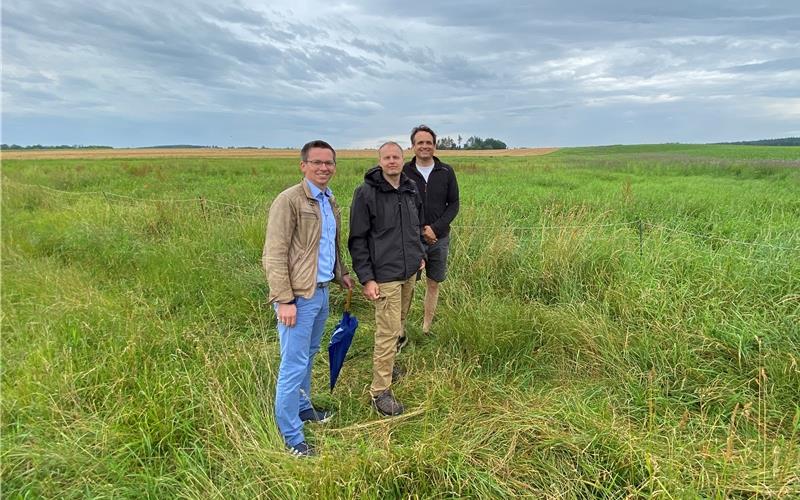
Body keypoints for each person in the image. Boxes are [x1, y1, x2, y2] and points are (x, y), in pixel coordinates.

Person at [262, 140, 354, 457]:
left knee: (310, 354)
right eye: (317, 162)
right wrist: (284, 299)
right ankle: (291, 436)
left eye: (329, 162)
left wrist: (340, 273)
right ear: (303, 165)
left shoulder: (329, 200)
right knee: (293, 363)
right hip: (298, 297)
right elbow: (274, 255)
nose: (324, 168)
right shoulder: (289, 201)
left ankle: (303, 408)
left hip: (322, 291)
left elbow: (329, 245)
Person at [348, 141, 425, 417]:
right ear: (379, 161)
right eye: (387, 157)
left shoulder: (410, 188)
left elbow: (416, 224)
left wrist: (420, 254)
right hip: (385, 276)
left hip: (409, 271)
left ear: (403, 159)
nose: (392, 161)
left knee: (400, 323)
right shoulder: (366, 194)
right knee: (387, 331)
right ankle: (380, 391)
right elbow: (357, 240)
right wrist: (367, 278)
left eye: (396, 156)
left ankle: (390, 367)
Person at [400, 124, 459, 346]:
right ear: (413, 146)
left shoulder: (446, 172)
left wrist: (435, 228)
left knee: (433, 283)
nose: (425, 146)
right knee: (407, 285)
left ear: (435, 146)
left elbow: (453, 204)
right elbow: (399, 205)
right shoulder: (404, 172)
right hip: (410, 240)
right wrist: (419, 231)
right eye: (420, 143)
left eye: (429, 142)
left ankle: (426, 328)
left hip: (439, 238)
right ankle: (401, 331)